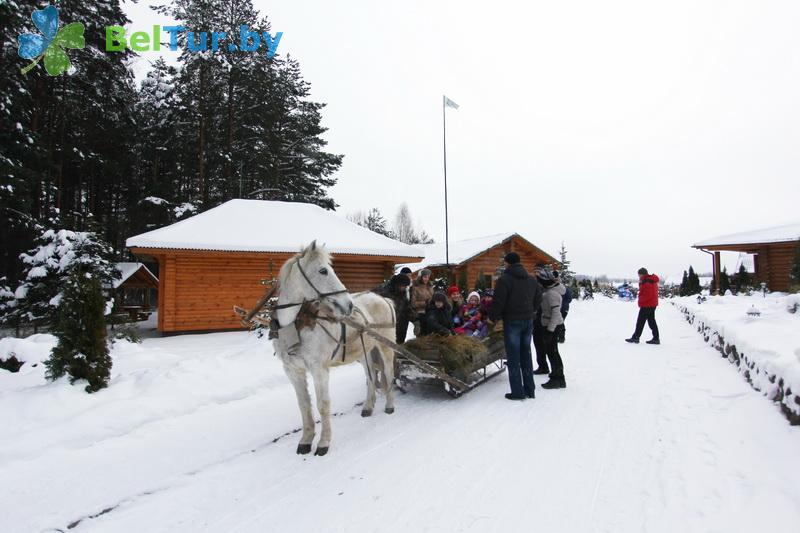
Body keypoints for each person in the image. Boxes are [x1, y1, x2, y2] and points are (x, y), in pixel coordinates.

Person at [489, 252, 542, 401]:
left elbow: (498, 301)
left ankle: (517, 392)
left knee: (513, 357)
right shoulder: (531, 280)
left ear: (507, 263)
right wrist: (532, 310)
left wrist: (492, 318)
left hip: (512, 322)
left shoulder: (505, 280)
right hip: (528, 321)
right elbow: (539, 297)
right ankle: (530, 390)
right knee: (526, 354)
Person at [538, 270, 566, 389]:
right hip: (550, 324)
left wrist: (550, 330)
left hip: (552, 325)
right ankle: (557, 377)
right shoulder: (549, 291)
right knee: (551, 351)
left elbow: (555, 313)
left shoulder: (551, 294)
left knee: (552, 352)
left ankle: (557, 378)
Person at [374, 273, 414, 344]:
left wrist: (412, 314)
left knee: (399, 340)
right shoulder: (384, 290)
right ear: (398, 284)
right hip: (385, 321)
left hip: (399, 320)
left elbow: (405, 304)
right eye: (404, 286)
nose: (405, 288)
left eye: (406, 286)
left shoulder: (402, 291)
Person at [626, 267, 660, 345]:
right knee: (651, 321)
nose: (639, 276)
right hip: (652, 304)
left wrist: (640, 300)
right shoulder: (650, 280)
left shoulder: (647, 282)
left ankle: (636, 337)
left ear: (642, 274)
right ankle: (656, 338)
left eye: (639, 275)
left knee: (640, 321)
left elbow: (647, 295)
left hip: (647, 305)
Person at [532, 264, 549, 375]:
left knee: (546, 344)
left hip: (545, 317)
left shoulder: (547, 285)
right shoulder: (534, 284)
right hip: (536, 317)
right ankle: (542, 366)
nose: (536, 273)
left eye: (538, 271)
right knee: (538, 343)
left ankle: (548, 367)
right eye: (535, 271)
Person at [410, 269, 434, 335]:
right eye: (425, 277)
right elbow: (413, 304)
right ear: (421, 277)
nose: (426, 279)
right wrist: (425, 303)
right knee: (421, 333)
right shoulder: (415, 288)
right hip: (419, 314)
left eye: (428, 277)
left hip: (430, 312)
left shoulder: (430, 286)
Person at [553, 270, 572, 343]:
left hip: (563, 309)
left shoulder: (564, 288)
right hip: (555, 308)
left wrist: (562, 303)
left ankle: (561, 336)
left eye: (556, 279)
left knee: (560, 321)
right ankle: (558, 336)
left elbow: (569, 298)